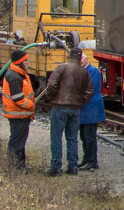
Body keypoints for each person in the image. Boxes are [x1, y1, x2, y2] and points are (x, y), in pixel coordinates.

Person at [37, 47, 94, 175]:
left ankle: (56, 167)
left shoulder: (61, 68)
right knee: (72, 138)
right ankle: (73, 167)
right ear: (80, 59)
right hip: (75, 109)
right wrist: (80, 101)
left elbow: (52, 85)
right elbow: (90, 91)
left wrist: (52, 98)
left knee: (56, 137)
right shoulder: (84, 72)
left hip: (60, 107)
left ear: (69, 56)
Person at [1, 49, 36, 170]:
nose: (27, 63)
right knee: (16, 144)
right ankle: (15, 169)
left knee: (19, 143)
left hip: (20, 115)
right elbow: (18, 99)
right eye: (25, 60)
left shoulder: (17, 74)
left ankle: (20, 167)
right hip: (18, 115)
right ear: (19, 62)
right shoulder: (15, 77)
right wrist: (31, 105)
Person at [78, 53, 105, 170]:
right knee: (84, 135)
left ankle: (92, 161)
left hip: (91, 108)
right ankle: (87, 158)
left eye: (81, 60)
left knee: (89, 136)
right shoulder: (84, 71)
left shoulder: (93, 71)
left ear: (84, 59)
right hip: (85, 108)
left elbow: (90, 90)